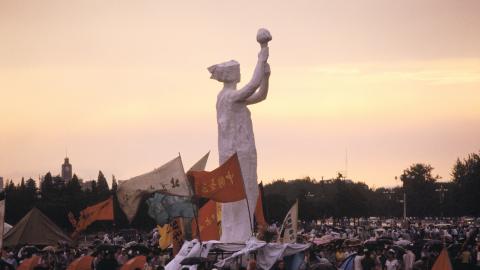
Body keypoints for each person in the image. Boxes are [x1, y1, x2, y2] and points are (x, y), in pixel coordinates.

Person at [209, 29, 271, 242]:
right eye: (237, 69)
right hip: (235, 153)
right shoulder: (228, 96)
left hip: (243, 150)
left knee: (249, 190)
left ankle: (240, 233)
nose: (240, 72)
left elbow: (260, 95)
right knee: (239, 194)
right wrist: (262, 54)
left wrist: (267, 77)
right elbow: (252, 86)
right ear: (230, 75)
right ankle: (236, 236)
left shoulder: (232, 97)